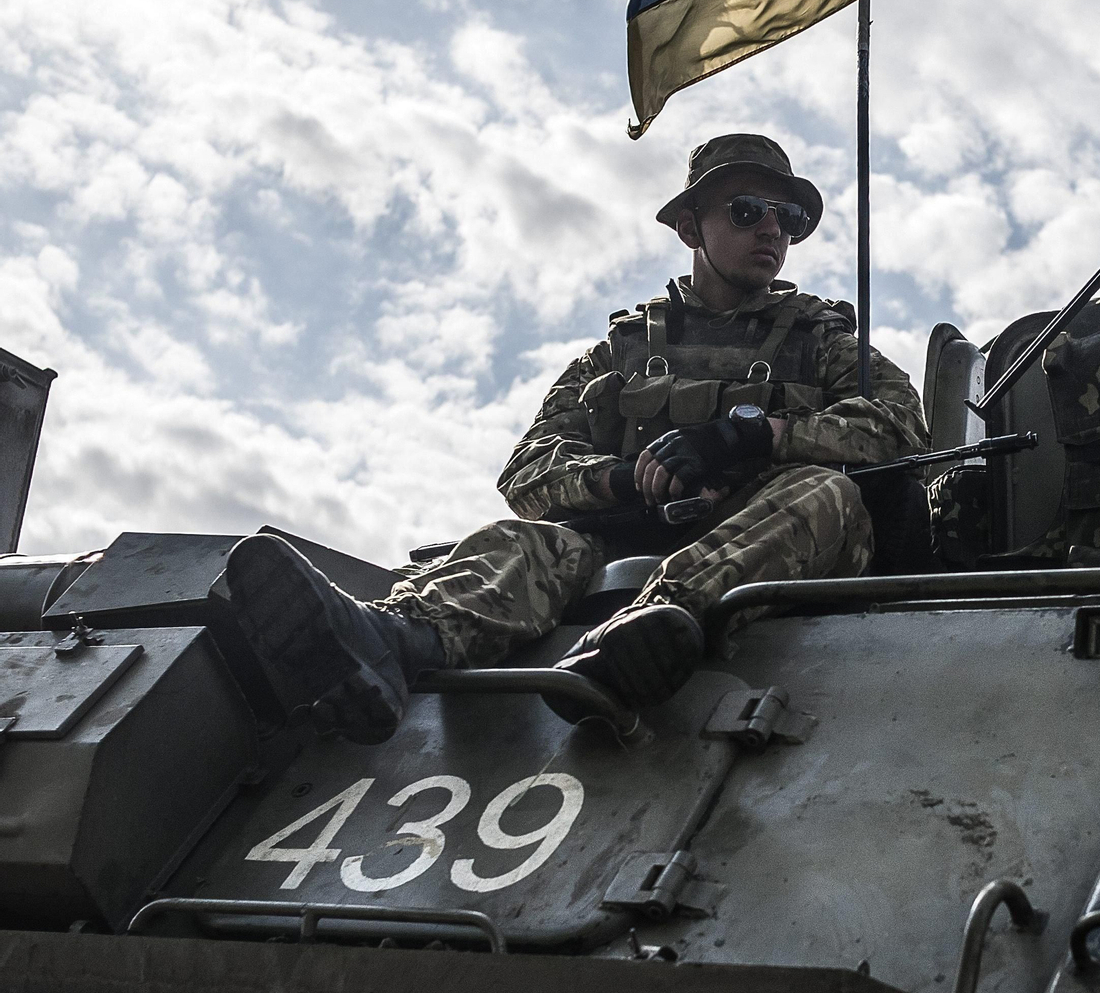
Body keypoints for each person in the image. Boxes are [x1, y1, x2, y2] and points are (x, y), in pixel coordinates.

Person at [226, 133, 930, 743]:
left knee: (824, 490)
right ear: (690, 227)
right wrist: (626, 479)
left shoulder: (824, 342)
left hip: (770, 541)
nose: (771, 229)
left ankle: (657, 626)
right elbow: (530, 467)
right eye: (747, 211)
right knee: (522, 540)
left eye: (789, 216)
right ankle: (389, 641)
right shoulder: (624, 352)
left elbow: (901, 426)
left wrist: (757, 437)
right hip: (631, 534)